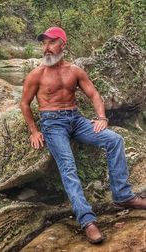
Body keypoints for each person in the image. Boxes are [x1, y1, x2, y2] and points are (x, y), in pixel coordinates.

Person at [20, 26, 146, 244]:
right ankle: (87, 220)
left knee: (114, 140)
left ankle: (123, 196)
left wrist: (102, 118)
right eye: (44, 43)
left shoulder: (74, 71)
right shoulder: (37, 74)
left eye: (51, 42)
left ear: (62, 45)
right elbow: (24, 104)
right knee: (68, 167)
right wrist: (34, 130)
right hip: (52, 124)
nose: (46, 48)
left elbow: (94, 95)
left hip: (76, 120)